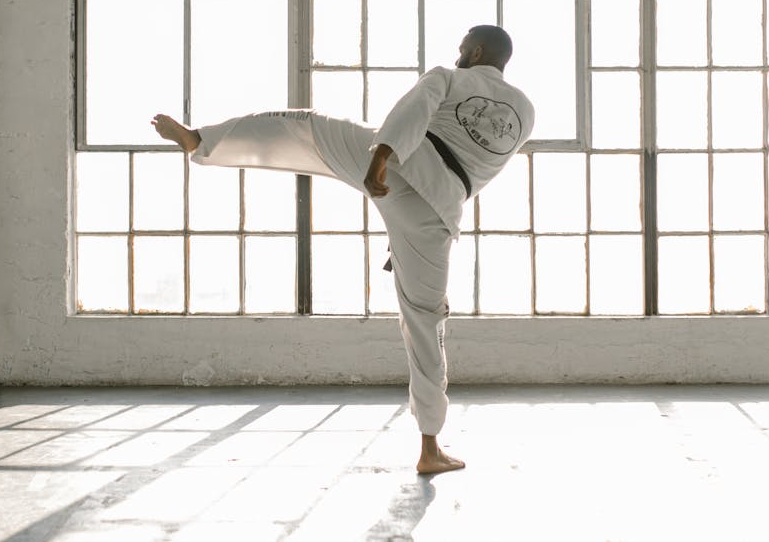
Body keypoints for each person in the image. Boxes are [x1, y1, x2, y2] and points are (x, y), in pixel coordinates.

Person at [150, 25, 535, 474]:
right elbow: (480, 161)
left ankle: (204, 140)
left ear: (476, 50)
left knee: (307, 128)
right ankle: (430, 449)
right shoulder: (525, 111)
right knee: (425, 322)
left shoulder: (449, 76)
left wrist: (379, 159)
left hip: (399, 162)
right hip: (441, 207)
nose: (458, 53)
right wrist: (408, 231)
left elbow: (415, 107)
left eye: (462, 46)